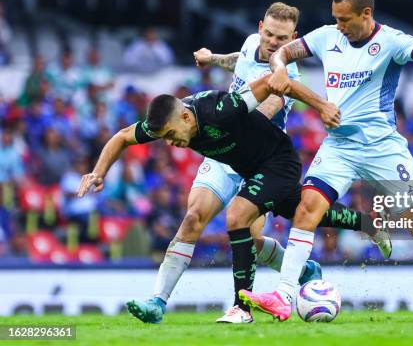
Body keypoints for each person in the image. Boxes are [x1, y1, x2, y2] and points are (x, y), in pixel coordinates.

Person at [239, 0, 413, 321]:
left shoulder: (391, 42)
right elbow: (282, 52)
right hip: (339, 146)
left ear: (366, 14)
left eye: (344, 19)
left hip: (382, 149)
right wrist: (278, 67)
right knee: (306, 209)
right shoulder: (326, 36)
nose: (338, 25)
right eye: (335, 18)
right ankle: (283, 295)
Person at [77, 75, 390, 324]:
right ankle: (366, 222)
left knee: (237, 217)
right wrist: (98, 171)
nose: (172, 144)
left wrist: (320, 105)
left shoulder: (221, 108)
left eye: (172, 135)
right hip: (249, 168)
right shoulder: (167, 120)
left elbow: (274, 82)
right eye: (165, 140)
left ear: (186, 117)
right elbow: (121, 137)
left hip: (276, 162)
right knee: (306, 211)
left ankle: (242, 308)